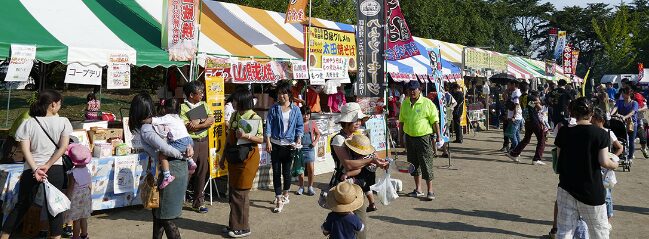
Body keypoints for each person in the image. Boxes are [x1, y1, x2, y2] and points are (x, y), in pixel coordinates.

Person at [0, 90, 72, 239]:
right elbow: (63, 147)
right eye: (59, 104)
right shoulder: (63, 121)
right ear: (53, 104)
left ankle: (4, 236)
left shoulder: (29, 123)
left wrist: (35, 168)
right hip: (54, 168)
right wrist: (48, 164)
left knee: (22, 205)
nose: (60, 106)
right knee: (55, 207)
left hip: (31, 169)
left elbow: (25, 149)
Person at [129, 93, 192, 239]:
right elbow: (181, 135)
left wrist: (180, 154)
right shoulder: (159, 122)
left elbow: (165, 148)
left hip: (171, 169)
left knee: (166, 216)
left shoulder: (146, 128)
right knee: (159, 214)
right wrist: (187, 149)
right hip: (175, 168)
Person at [554, 97, 618, 238]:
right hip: (591, 188)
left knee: (565, 231)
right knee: (599, 230)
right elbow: (604, 162)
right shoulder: (600, 134)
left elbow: (559, 158)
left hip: (566, 186)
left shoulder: (563, 132)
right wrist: (615, 164)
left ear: (572, 113)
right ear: (591, 113)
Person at [330, 102, 387, 239]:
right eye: (355, 120)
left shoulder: (358, 136)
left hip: (359, 185)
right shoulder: (338, 139)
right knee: (343, 227)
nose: (358, 123)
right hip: (344, 186)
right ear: (346, 121)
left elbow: (371, 153)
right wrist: (371, 161)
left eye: (359, 120)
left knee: (360, 225)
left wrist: (379, 161)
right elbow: (348, 164)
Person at [218, 87, 263, 238]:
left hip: (247, 158)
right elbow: (229, 138)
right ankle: (234, 224)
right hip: (234, 156)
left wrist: (246, 135)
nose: (233, 103)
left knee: (241, 192)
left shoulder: (255, 117)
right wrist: (223, 158)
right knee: (233, 191)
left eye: (236, 101)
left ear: (243, 101)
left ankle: (243, 227)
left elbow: (261, 139)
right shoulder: (235, 115)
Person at [399, 80, 442, 201]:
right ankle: (418, 189)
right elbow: (401, 122)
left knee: (426, 162)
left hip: (423, 137)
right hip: (409, 137)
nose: (412, 92)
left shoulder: (427, 103)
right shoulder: (405, 103)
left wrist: (438, 137)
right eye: (410, 90)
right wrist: (400, 138)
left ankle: (430, 190)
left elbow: (435, 121)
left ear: (420, 90)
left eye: (414, 89)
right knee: (413, 164)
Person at [265, 80, 304, 213]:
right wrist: (268, 141)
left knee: (286, 173)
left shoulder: (296, 109)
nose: (281, 96)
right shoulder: (274, 108)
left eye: (284, 93)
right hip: (275, 144)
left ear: (289, 94)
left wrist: (298, 139)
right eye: (279, 93)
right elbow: (268, 125)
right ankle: (279, 197)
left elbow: (299, 126)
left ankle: (286, 193)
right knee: (276, 172)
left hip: (289, 145)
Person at [180, 81, 215, 213]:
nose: (202, 95)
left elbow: (211, 120)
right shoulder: (183, 107)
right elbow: (187, 126)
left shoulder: (204, 105)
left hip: (204, 141)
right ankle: (177, 201)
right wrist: (204, 121)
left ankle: (198, 202)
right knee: (187, 172)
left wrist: (199, 122)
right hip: (190, 143)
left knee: (202, 171)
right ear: (191, 95)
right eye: (200, 93)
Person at [146, 98, 197, 189]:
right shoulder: (179, 118)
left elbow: (154, 120)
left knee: (162, 154)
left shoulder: (167, 117)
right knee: (183, 150)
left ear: (165, 109)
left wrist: (143, 121)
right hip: (189, 140)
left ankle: (167, 176)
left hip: (179, 141)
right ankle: (191, 161)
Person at [591, 108, 623, 223]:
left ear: (600, 120)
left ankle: (608, 218)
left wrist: (612, 157)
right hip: (594, 166)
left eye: (594, 118)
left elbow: (620, 147)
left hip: (606, 168)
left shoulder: (608, 133)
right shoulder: (590, 131)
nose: (591, 120)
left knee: (607, 194)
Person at [507, 94, 547, 165]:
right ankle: (536, 159)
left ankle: (514, 153)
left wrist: (536, 103)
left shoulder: (521, 97)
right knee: (541, 139)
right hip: (534, 121)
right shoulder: (530, 97)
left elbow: (529, 105)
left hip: (527, 120)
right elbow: (540, 108)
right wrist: (538, 102)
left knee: (526, 139)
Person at [64, 144, 93, 239]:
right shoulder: (87, 170)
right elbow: (90, 185)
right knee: (83, 218)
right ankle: (84, 235)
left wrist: (67, 198)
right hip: (85, 196)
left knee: (76, 220)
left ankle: (75, 237)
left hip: (76, 198)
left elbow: (70, 187)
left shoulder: (72, 173)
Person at [297, 106, 320, 196]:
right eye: (303, 114)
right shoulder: (297, 124)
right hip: (300, 148)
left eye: (307, 114)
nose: (305, 116)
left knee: (311, 169)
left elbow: (318, 134)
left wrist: (315, 142)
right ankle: (301, 187)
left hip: (310, 148)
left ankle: (310, 187)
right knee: (300, 169)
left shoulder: (312, 123)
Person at [611, 88, 639, 159]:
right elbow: (615, 108)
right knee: (619, 139)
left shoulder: (634, 103)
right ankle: (620, 154)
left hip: (631, 124)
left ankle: (630, 157)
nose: (622, 94)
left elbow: (632, 112)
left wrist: (624, 117)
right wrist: (611, 114)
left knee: (631, 141)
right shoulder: (619, 102)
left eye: (623, 93)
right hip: (620, 124)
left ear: (628, 94)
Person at [505, 80, 523, 152]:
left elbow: (516, 105)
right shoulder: (515, 92)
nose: (508, 86)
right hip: (517, 116)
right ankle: (518, 149)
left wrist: (514, 116)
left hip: (515, 117)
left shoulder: (516, 92)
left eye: (509, 85)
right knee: (516, 134)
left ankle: (515, 150)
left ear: (514, 85)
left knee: (511, 134)